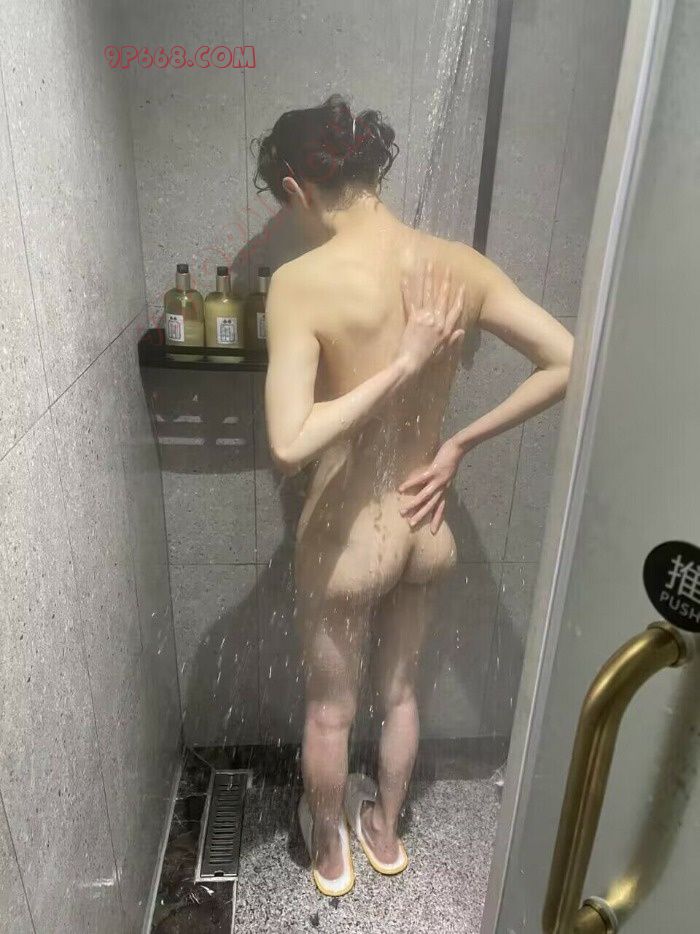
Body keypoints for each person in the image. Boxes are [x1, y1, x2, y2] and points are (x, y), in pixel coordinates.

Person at [254, 94, 573, 896]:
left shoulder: (299, 282)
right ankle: (387, 834)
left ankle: (332, 857)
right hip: (426, 526)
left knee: (330, 712)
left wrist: (399, 364)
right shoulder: (457, 266)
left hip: (348, 536)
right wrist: (459, 442)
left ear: (295, 189)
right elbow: (569, 358)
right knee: (400, 695)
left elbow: (289, 443)